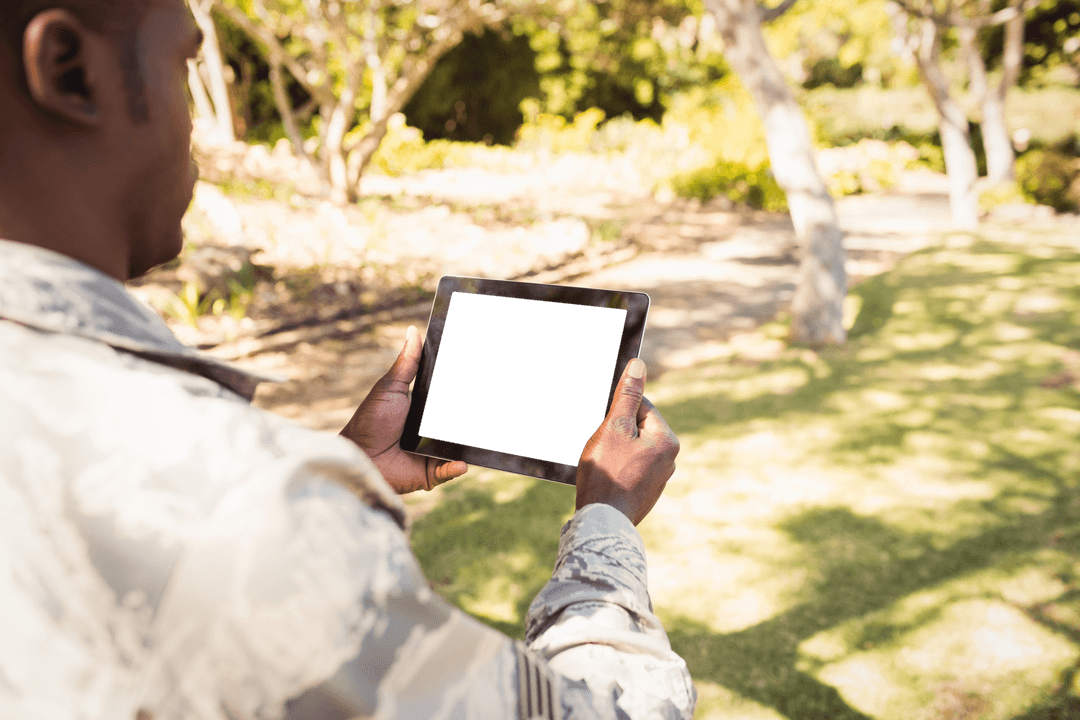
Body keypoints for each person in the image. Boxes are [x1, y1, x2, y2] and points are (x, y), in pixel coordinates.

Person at [0, 1, 696, 718]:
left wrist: (351, 471)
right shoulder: (240, 503)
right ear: (69, 70)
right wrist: (606, 522)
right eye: (182, 65)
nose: (197, 126)